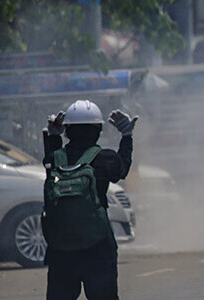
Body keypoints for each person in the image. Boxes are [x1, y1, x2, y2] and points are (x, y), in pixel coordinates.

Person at [42, 100, 136, 300]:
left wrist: (52, 136)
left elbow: (51, 160)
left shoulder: (54, 158)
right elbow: (123, 169)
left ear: (67, 131)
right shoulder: (105, 159)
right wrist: (126, 136)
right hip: (98, 247)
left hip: (61, 249)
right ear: (98, 130)